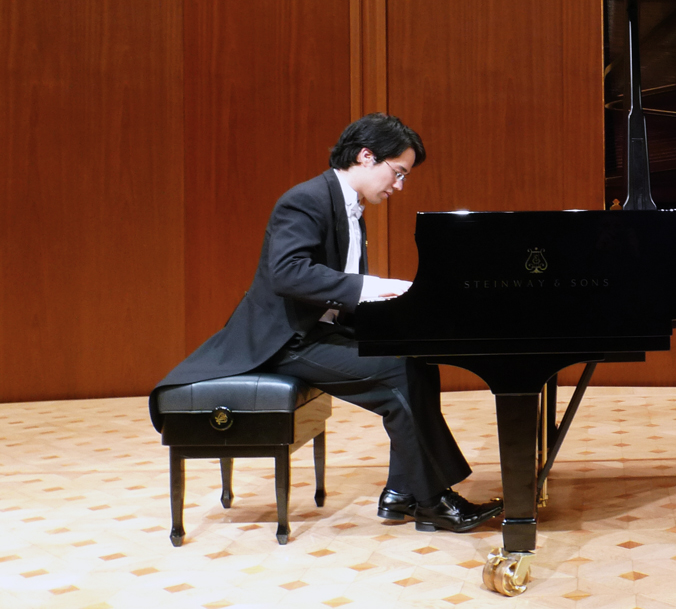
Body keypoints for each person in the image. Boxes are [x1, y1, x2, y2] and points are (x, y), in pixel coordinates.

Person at [151, 113, 501, 533]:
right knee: (399, 374)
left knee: (418, 358)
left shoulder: (347, 207)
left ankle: (401, 494)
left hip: (317, 331)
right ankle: (434, 501)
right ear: (366, 156)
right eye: (398, 173)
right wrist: (370, 288)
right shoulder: (306, 199)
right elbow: (287, 273)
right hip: (284, 341)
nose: (400, 186)